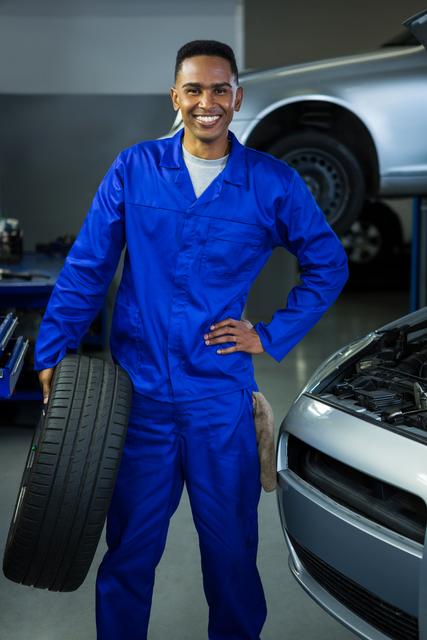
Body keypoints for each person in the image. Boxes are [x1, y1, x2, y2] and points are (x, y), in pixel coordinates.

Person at [35, 40, 348, 640]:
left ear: (238, 97)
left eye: (221, 89)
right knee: (129, 551)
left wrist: (270, 334)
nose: (209, 102)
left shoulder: (271, 184)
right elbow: (88, 266)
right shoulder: (134, 168)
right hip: (140, 397)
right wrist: (53, 349)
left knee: (230, 556)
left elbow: (329, 263)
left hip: (218, 401)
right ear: (176, 97)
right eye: (195, 90)